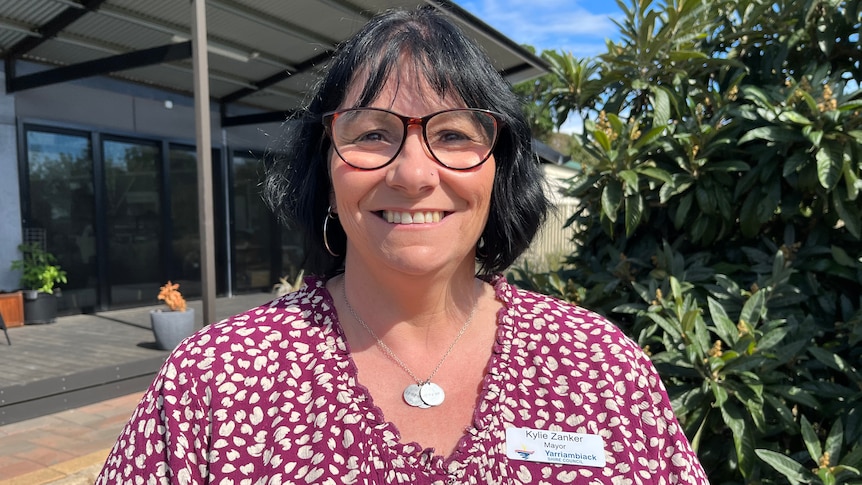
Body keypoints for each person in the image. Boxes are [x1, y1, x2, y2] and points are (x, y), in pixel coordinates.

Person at [97, 7, 708, 484]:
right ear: (326, 167)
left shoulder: (600, 366)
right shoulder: (215, 378)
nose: (414, 175)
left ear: (499, 169)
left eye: (452, 132)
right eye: (371, 133)